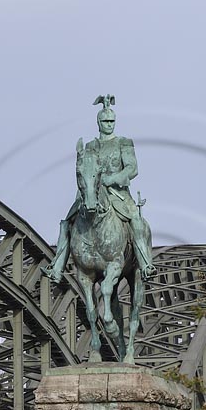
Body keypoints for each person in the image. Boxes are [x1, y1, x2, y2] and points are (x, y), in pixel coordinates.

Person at [42, 95, 156, 283]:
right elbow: (86, 169)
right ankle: (57, 266)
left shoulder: (123, 142)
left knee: (136, 221)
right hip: (91, 192)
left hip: (118, 194)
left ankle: (145, 264)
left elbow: (132, 168)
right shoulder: (90, 146)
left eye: (111, 121)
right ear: (99, 122)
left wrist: (112, 179)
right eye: (105, 121)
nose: (109, 124)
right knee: (67, 222)